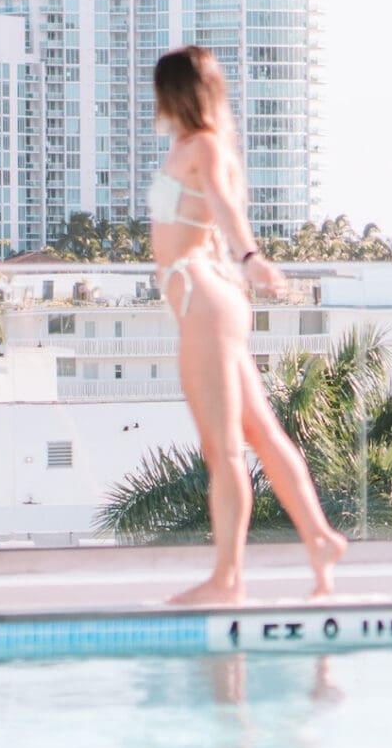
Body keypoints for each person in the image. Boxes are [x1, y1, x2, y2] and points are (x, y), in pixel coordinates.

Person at [148, 45, 347, 605]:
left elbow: (224, 207)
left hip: (207, 302)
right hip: (211, 298)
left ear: (175, 93)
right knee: (259, 433)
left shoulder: (205, 147)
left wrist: (250, 256)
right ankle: (320, 539)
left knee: (224, 449)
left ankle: (228, 578)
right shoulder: (191, 146)